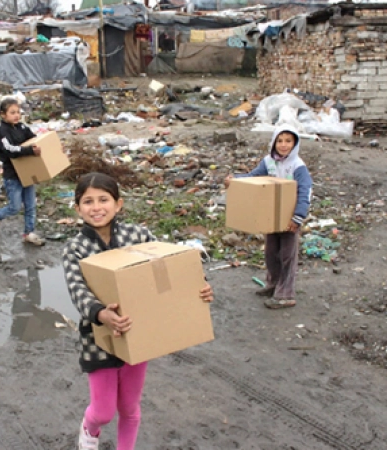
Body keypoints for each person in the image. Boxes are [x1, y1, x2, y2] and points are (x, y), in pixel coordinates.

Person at [62, 172, 214, 450]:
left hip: (138, 332)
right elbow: (77, 290)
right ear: (77, 208)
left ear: (118, 204)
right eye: (88, 201)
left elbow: (165, 267)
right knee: (104, 411)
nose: (96, 207)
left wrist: (199, 286)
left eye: (103, 200)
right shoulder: (75, 248)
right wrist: (100, 313)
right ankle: (89, 429)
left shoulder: (138, 235)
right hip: (99, 340)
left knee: (130, 407)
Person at [224, 125, 312, 309]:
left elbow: (305, 192)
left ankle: (286, 294)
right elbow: (253, 177)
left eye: (288, 141)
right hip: (272, 216)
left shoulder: (298, 166)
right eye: (280, 141)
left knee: (288, 255)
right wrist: (235, 180)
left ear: (295, 143)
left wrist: (298, 217)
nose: (283, 145)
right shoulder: (268, 162)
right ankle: (273, 284)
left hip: (289, 218)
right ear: (273, 142)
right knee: (271, 253)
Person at [0, 99, 44, 246]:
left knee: (31, 205)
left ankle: (28, 233)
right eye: (12, 112)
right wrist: (29, 150)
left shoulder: (22, 127)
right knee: (15, 207)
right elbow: (10, 150)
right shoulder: (3, 131)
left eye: (18, 112)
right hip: (12, 175)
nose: (16, 115)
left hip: (27, 172)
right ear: (3, 115)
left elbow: (34, 139)